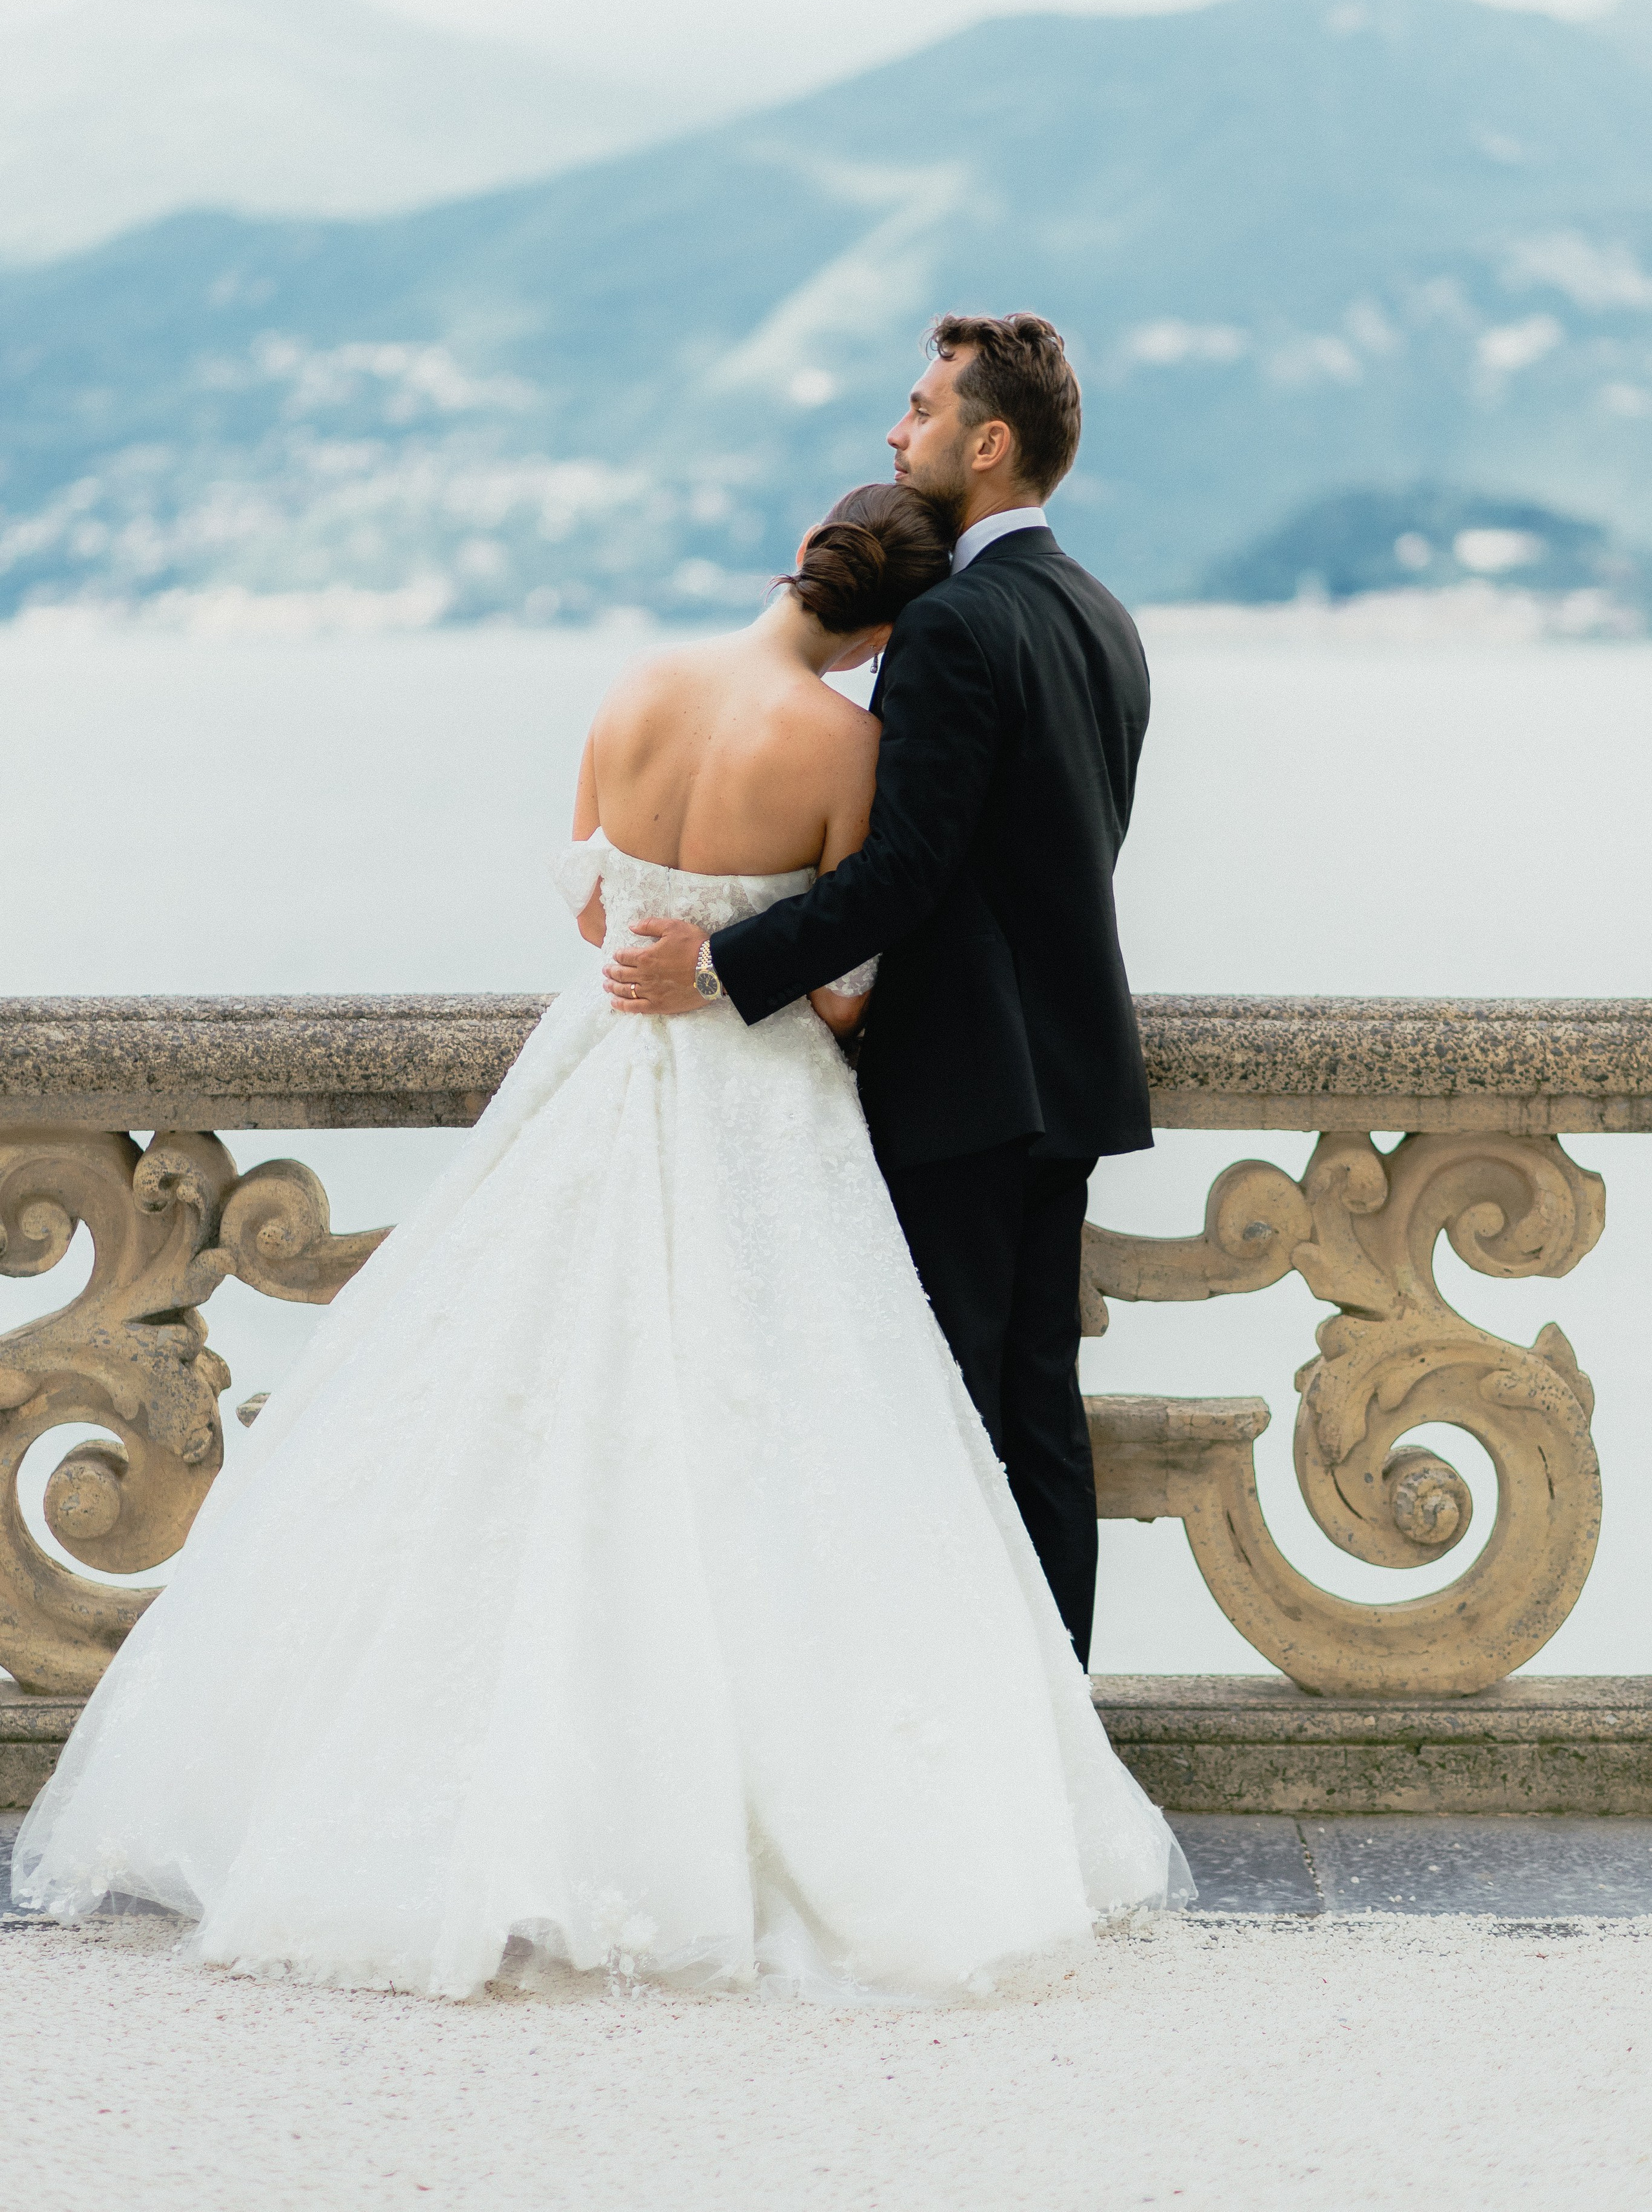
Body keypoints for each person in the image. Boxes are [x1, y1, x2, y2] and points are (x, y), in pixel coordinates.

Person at [15, 480, 1188, 2004]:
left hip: (592, 1072)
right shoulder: (846, 741)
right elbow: (838, 986)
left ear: (796, 568)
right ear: (884, 629)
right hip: (755, 1104)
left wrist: (656, 939)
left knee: (510, 1400)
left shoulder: (634, 685)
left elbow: (591, 908)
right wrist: (761, 970)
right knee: (777, 1433)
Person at [609, 314, 1152, 1667]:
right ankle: (1049, 1725)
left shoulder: (955, 627)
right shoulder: (1099, 612)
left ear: (986, 441)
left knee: (938, 1423)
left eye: (916, 411)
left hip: (963, 1083)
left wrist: (718, 964)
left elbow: (905, 874)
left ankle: (973, 1738)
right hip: (1070, 1073)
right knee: (1034, 1420)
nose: (894, 434)